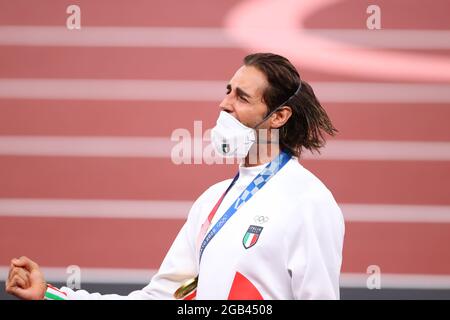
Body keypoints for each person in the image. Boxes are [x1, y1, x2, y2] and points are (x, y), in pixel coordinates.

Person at [6, 53, 345, 300]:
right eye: (228, 91)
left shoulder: (308, 202)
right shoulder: (212, 202)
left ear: (278, 116)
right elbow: (159, 299)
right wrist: (50, 296)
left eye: (241, 97)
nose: (224, 104)